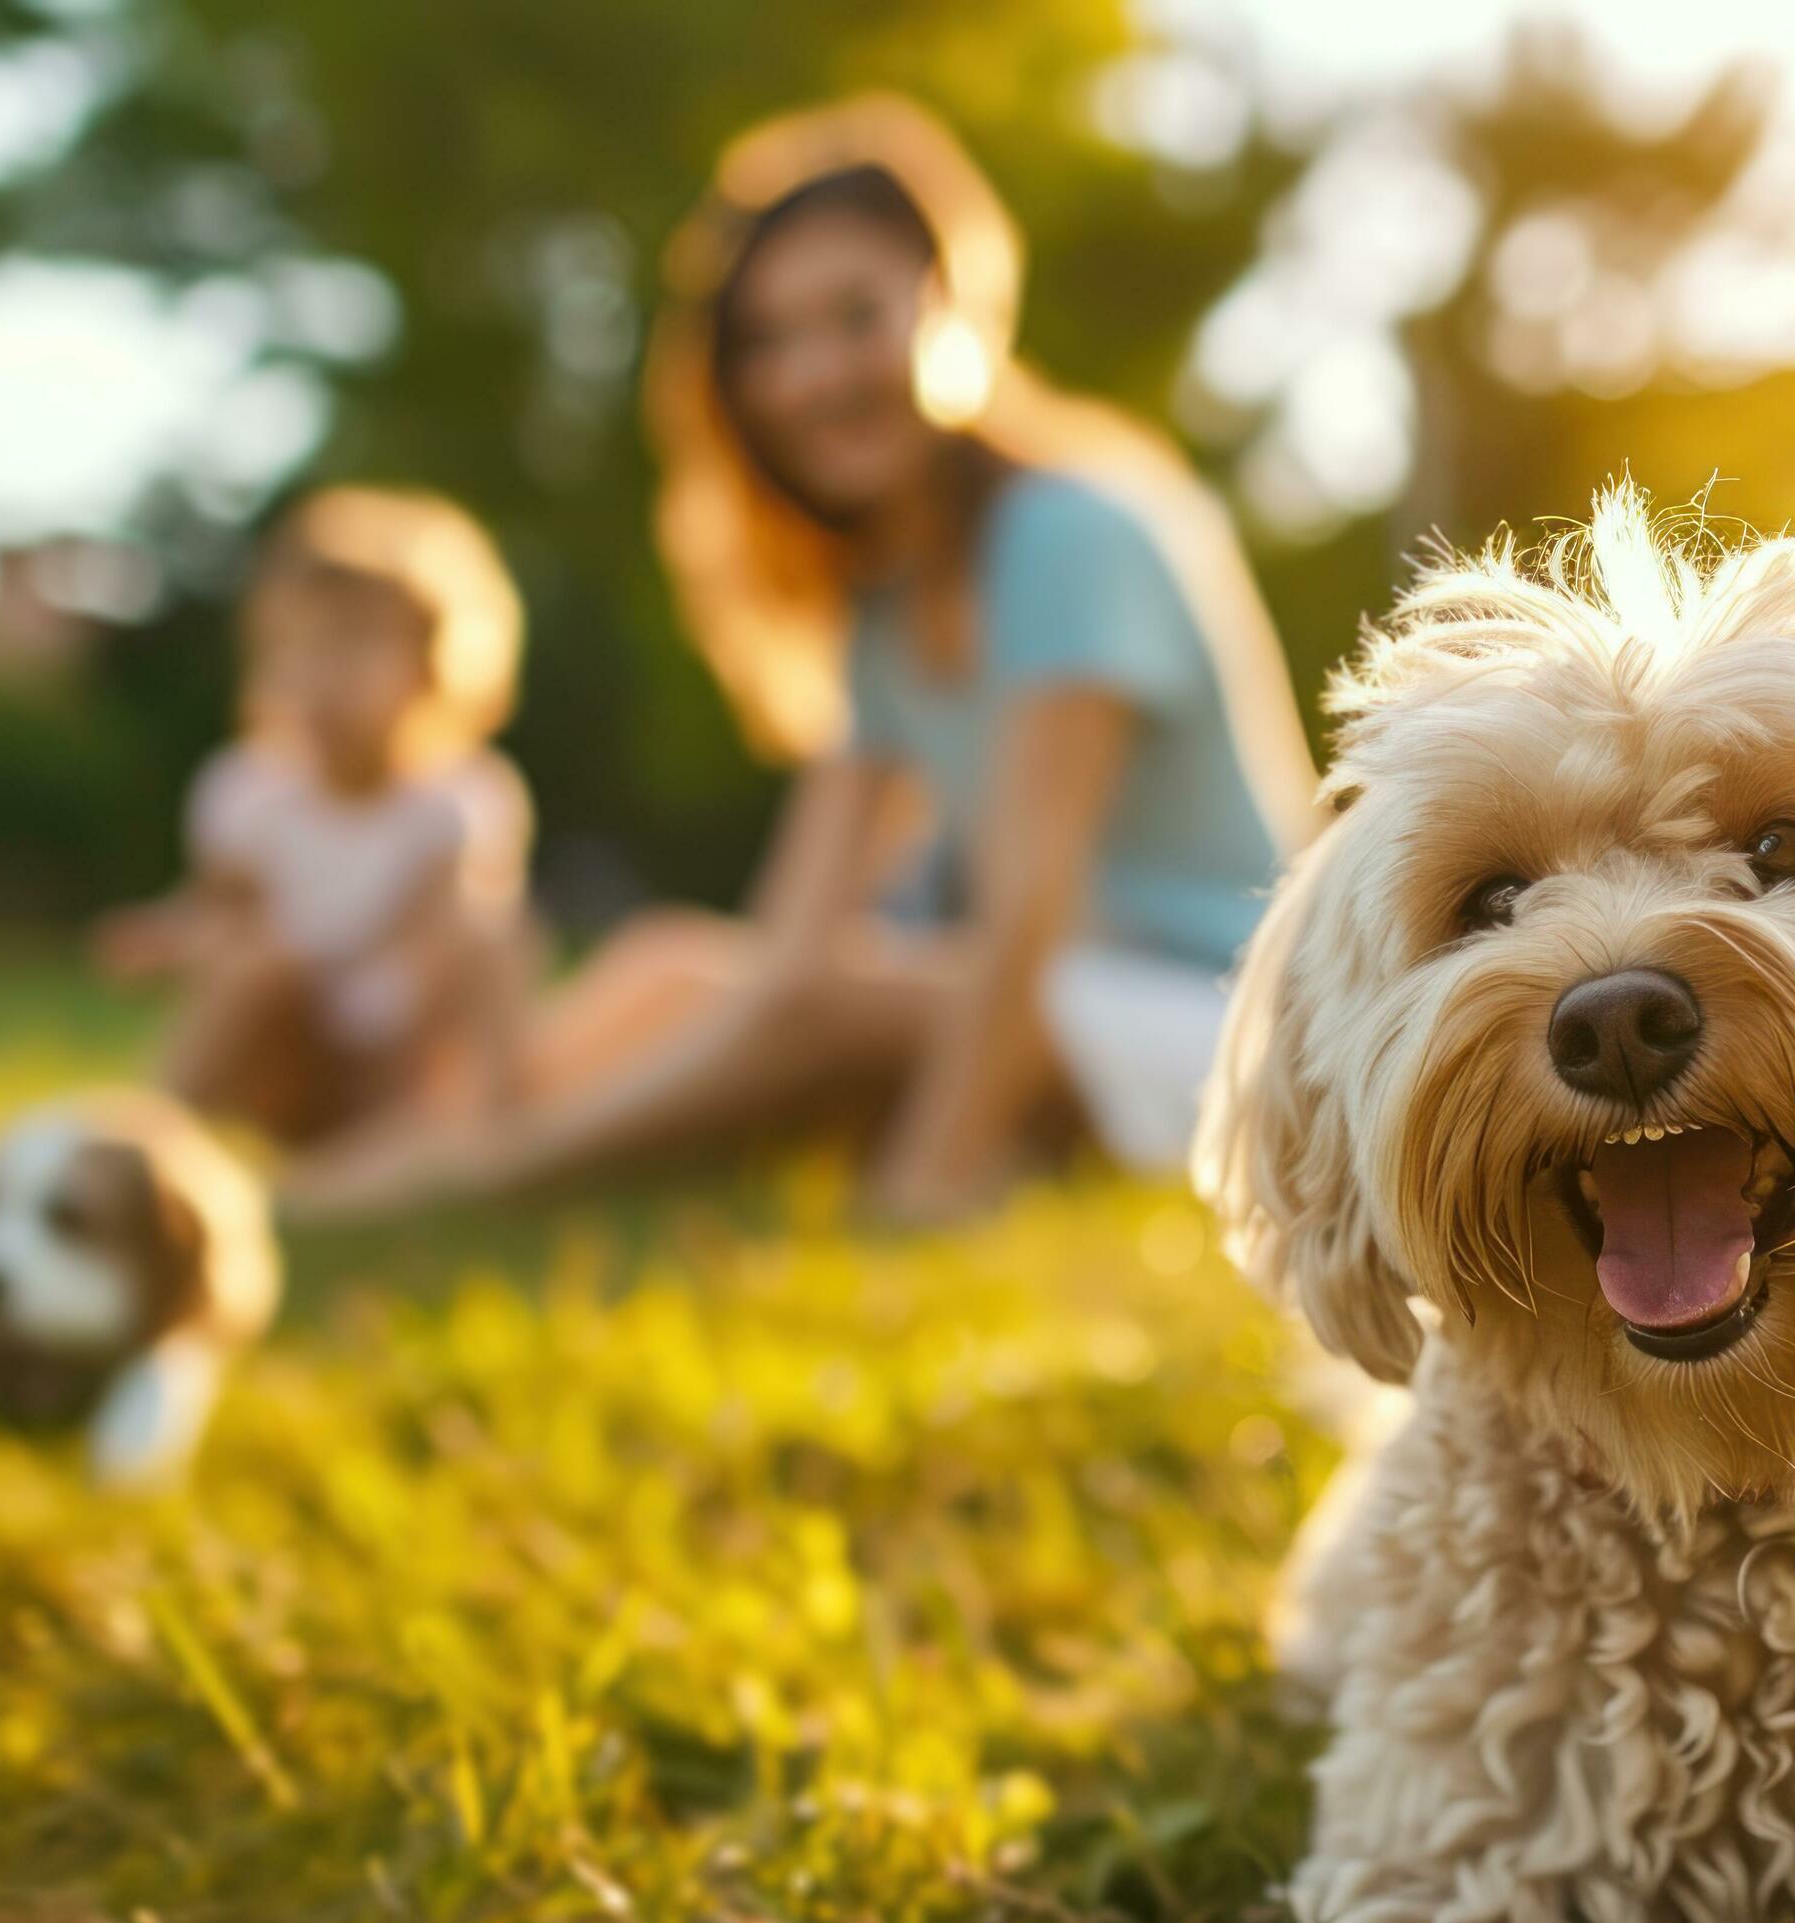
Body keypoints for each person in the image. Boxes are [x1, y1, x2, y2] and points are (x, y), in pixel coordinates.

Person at [285, 96, 1315, 1222]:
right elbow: (794, 935)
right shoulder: (885, 596)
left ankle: (483, 1178)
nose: (812, 375)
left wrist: (927, 1174)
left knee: (822, 1003)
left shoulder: (1066, 528)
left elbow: (1030, 904)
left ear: (957, 311)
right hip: (1063, 1005)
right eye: (770, 342)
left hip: (1223, 1024)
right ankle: (374, 1163)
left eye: (853, 317)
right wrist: (746, 1005)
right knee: (673, 963)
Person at [95, 485, 535, 1147]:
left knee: (494, 937)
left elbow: (446, 940)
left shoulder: (461, 802)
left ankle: (503, 1137)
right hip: (288, 1058)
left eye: (348, 651)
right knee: (255, 964)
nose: (319, 677)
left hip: (398, 1062)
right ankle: (141, 1138)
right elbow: (220, 907)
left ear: (428, 666)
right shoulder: (248, 789)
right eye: (298, 651)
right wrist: (167, 936)